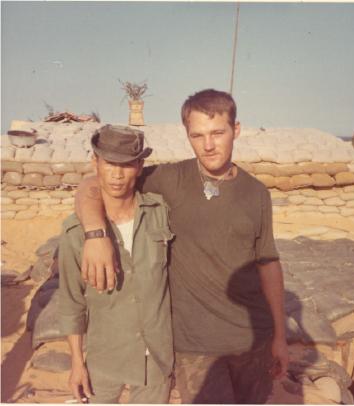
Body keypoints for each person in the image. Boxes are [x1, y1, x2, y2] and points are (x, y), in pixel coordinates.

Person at [75, 89, 288, 403]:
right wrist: (96, 235)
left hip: (253, 340)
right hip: (196, 349)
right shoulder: (170, 179)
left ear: (236, 129)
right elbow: (95, 183)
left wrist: (279, 335)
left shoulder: (256, 193)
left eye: (218, 133)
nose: (208, 145)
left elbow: (267, 262)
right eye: (197, 135)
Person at [59, 125, 174, 404]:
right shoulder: (75, 232)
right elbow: (72, 302)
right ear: (95, 163)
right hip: (104, 360)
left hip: (155, 358)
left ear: (140, 166)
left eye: (126, 164)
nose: (117, 174)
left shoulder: (160, 213)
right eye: (109, 163)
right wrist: (77, 363)